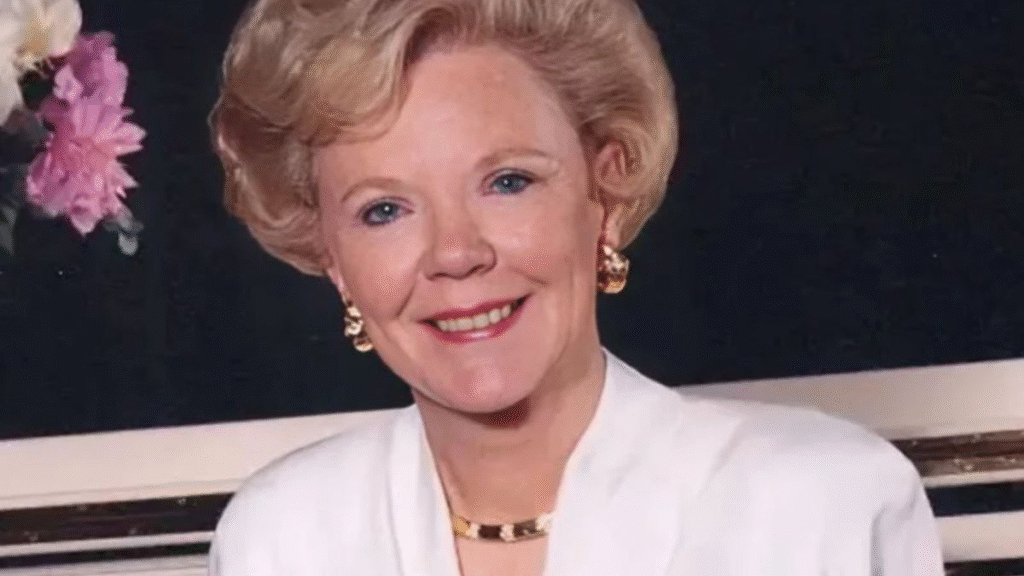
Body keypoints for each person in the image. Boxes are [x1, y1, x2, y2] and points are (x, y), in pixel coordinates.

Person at [207, 0, 945, 574]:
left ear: (606, 194)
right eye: (384, 211)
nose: (456, 254)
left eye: (507, 181)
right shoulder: (283, 538)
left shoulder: (821, 504)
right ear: (331, 255)